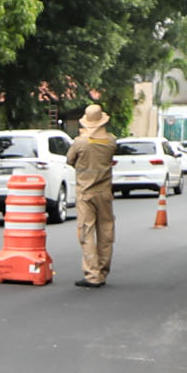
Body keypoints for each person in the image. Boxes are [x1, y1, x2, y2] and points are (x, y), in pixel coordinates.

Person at [69, 98, 117, 287]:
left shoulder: (80, 143)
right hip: (105, 193)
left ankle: (92, 274)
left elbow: (69, 159)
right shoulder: (111, 141)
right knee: (106, 231)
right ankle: (103, 272)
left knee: (87, 232)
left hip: (85, 193)